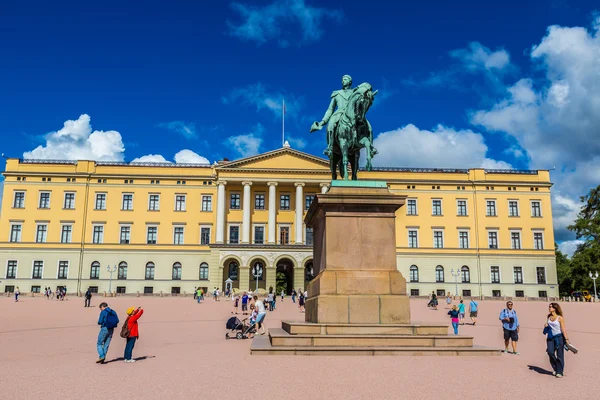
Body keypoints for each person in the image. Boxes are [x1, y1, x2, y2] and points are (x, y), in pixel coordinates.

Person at [545, 303, 570, 378]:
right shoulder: (549, 316)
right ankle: (556, 367)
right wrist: (546, 325)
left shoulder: (560, 318)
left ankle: (559, 371)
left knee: (560, 355)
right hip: (550, 338)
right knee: (550, 352)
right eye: (549, 307)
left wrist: (566, 339)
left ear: (555, 308)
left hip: (559, 338)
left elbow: (563, 329)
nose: (549, 308)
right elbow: (548, 325)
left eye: (551, 307)